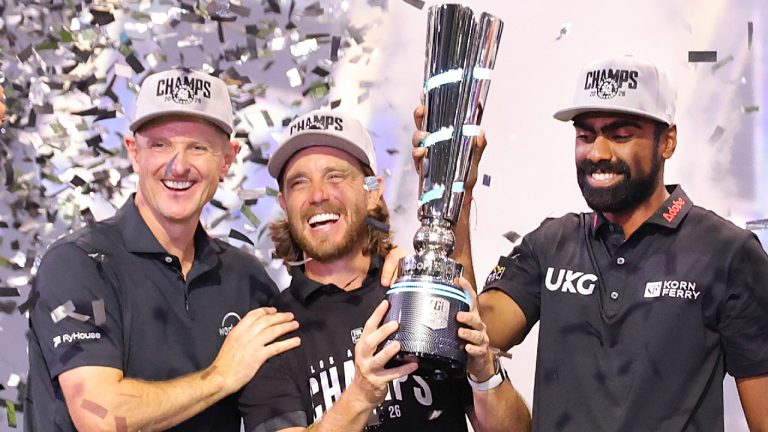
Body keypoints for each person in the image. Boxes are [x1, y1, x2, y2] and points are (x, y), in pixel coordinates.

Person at [413, 55, 768, 430]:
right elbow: (473, 330)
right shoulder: (551, 243)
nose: (597, 153)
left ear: (667, 141)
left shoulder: (728, 252)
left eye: (620, 135)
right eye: (585, 135)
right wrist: (456, 194)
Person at [25, 69, 303, 431]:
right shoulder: (78, 264)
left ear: (227, 159)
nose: (178, 165)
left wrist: (382, 268)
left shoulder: (247, 280)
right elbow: (100, 415)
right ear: (134, 153)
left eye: (198, 147)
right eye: (160, 145)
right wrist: (222, 375)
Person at [238, 109, 531, 432]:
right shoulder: (272, 332)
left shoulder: (418, 294)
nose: (318, 195)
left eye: (335, 176)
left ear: (373, 190)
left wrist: (484, 370)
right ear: (283, 202)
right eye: (299, 183)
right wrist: (362, 394)